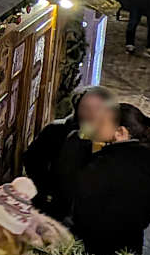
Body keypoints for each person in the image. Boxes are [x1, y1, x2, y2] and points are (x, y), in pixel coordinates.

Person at [72, 102, 150, 255]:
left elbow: (80, 203)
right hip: (129, 250)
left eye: (101, 123)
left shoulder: (108, 166)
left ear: (120, 132)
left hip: (95, 252)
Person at [23, 85, 112, 221]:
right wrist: (46, 191)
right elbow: (32, 161)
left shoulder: (107, 137)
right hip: (53, 208)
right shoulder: (55, 130)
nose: (92, 114)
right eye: (87, 108)